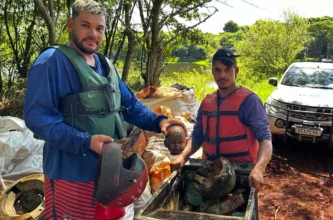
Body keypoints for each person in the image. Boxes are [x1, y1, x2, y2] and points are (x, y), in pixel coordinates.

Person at [23, 0, 185, 219]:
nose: (93, 33)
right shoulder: (52, 62)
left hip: (111, 172)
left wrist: (161, 123)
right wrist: (85, 141)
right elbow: (37, 117)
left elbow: (131, 106)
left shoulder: (105, 64)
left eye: (99, 28)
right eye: (85, 25)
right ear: (70, 24)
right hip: (72, 174)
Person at [170, 48, 273, 194]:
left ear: (236, 71)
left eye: (227, 70)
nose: (222, 75)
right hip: (209, 170)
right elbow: (197, 136)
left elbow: (265, 140)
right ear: (212, 72)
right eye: (217, 70)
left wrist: (259, 168)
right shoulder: (207, 101)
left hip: (240, 171)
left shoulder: (250, 101)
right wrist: (182, 156)